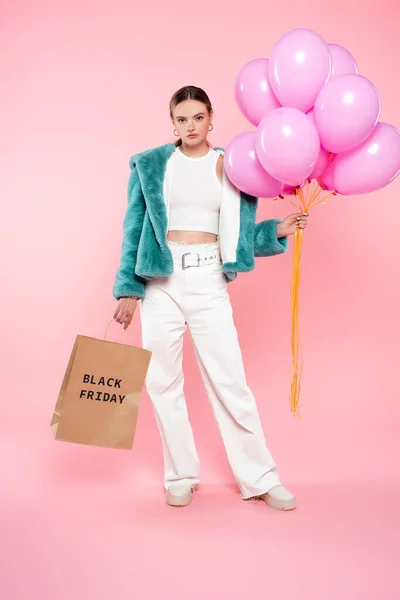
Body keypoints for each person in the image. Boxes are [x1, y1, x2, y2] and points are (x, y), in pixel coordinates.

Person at [113, 86, 308, 510]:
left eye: (198, 117)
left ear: (211, 118)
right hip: (159, 283)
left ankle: (260, 478)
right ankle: (180, 474)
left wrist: (274, 232)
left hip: (207, 279)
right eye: (182, 119)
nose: (190, 126)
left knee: (230, 381)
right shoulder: (150, 165)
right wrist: (128, 289)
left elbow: (236, 237)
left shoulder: (233, 165)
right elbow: (134, 231)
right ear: (173, 122)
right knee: (162, 381)